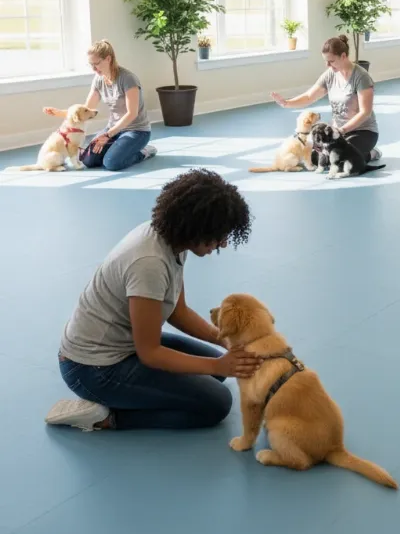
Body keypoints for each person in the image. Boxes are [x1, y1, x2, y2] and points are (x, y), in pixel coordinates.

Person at [45, 169, 261, 432]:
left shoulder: (174, 240)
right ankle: (105, 417)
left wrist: (225, 340)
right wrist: (217, 363)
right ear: (197, 228)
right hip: (92, 369)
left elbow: (178, 312)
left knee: (217, 371)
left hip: (126, 346)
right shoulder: (149, 263)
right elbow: (150, 353)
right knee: (216, 403)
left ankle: (135, 396)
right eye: (219, 236)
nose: (223, 244)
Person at [45, 39, 156, 171]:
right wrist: (60, 113)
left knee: (112, 163)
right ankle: (118, 145)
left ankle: (143, 152)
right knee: (88, 160)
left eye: (96, 64)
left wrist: (108, 135)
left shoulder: (128, 79)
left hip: (136, 131)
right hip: (113, 129)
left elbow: (132, 113)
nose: (93, 68)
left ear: (108, 59)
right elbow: (86, 109)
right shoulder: (98, 80)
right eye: (90, 64)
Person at [270, 35, 381, 162]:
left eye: (331, 61)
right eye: (326, 61)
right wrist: (286, 103)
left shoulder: (361, 77)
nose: (328, 65)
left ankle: (371, 153)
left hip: (363, 131)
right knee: (316, 159)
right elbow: (309, 96)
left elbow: (365, 112)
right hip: (337, 132)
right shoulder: (330, 75)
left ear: (343, 56)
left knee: (340, 158)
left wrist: (342, 130)